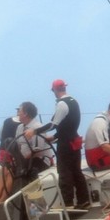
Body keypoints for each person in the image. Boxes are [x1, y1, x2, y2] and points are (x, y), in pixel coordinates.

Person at [47, 79, 90, 209]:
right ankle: (84, 200)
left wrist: (34, 131)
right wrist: (54, 137)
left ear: (54, 90)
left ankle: (68, 204)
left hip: (65, 144)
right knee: (76, 171)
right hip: (74, 140)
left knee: (64, 172)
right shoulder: (74, 102)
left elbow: (53, 125)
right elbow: (69, 124)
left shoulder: (61, 104)